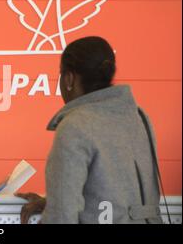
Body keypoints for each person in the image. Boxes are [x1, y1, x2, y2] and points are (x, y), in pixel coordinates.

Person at [18, 36, 163, 224]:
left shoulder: (74, 125)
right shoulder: (140, 117)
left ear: (69, 78)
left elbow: (61, 218)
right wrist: (52, 202)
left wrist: (57, 205)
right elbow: (123, 198)